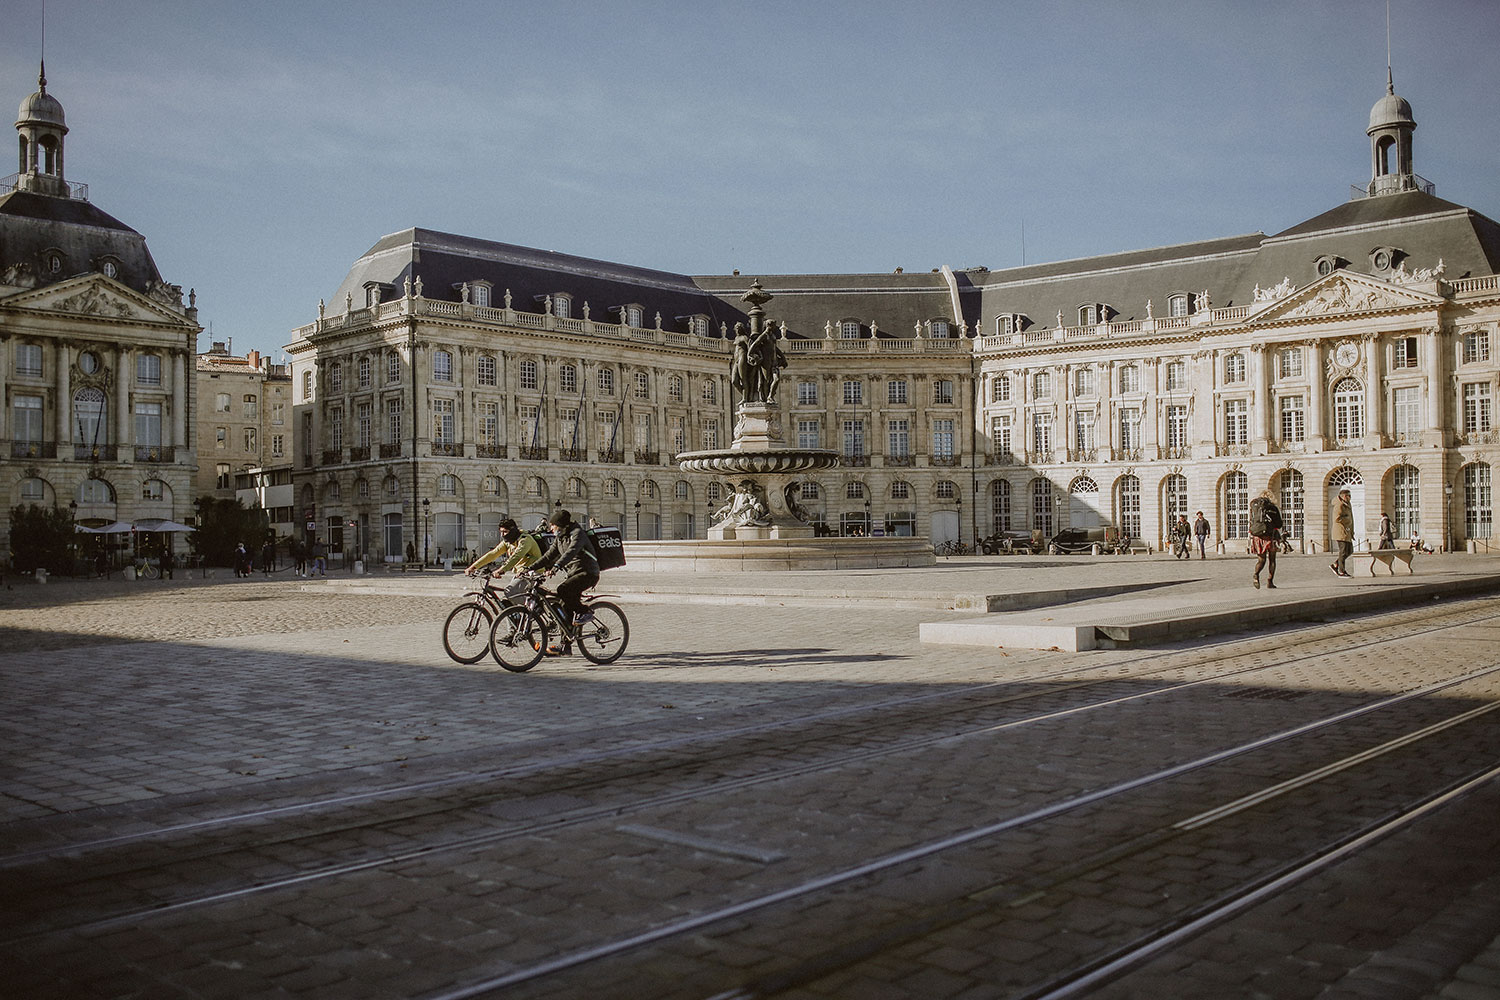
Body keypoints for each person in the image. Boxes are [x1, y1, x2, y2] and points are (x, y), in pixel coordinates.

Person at [531, 508, 600, 657]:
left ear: (561, 525)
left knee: (563, 590)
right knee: (563, 606)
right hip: (574, 573)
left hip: (588, 572)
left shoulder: (577, 534)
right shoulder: (560, 537)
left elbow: (571, 552)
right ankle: (566, 646)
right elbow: (549, 555)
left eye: (553, 526)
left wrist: (557, 566)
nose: (551, 529)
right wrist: (530, 567)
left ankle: (586, 612)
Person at [466, 518, 542, 578]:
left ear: (513, 531)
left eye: (505, 532)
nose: (502, 535)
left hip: (534, 571)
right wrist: (474, 567)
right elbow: (493, 554)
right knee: (512, 592)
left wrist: (501, 570)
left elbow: (516, 557)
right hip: (522, 572)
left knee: (512, 592)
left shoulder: (525, 540)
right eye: (501, 532)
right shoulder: (508, 542)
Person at [1248, 489, 1283, 589]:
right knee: (1272, 560)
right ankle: (1270, 581)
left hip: (1258, 537)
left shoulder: (1255, 506)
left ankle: (1256, 574)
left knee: (1261, 559)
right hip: (1270, 536)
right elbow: (1279, 524)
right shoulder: (1273, 507)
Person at [1330, 488, 1354, 577]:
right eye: (1349, 496)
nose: (1350, 498)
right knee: (1343, 552)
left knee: (1350, 550)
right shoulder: (1339, 505)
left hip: (1346, 532)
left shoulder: (1347, 504)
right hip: (1340, 532)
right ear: (1344, 496)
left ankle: (1335, 564)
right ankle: (1341, 571)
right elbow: (1337, 518)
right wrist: (1347, 519)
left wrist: (1351, 531)